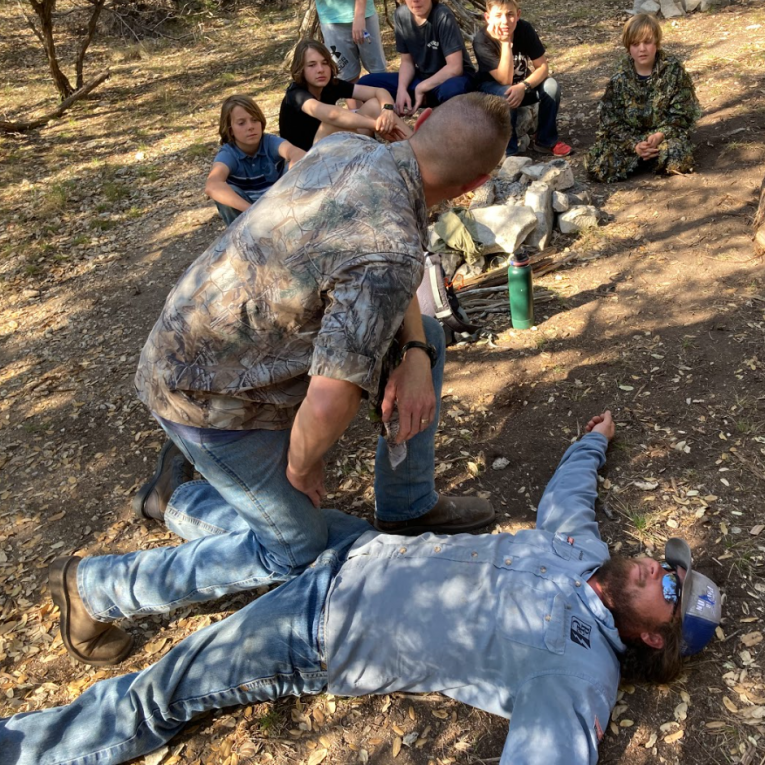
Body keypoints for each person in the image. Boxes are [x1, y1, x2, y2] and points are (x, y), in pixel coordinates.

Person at [42, 93, 510, 669]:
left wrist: (413, 350)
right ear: (475, 183)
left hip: (207, 341)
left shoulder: (353, 145)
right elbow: (332, 394)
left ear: (424, 125)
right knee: (297, 551)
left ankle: (407, 506)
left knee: (428, 339)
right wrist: (301, 465)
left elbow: (396, 264)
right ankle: (98, 584)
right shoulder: (387, 244)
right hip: (207, 396)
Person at [0, 411, 723, 765]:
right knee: (279, 531)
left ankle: (8, 748)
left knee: (163, 689)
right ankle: (171, 503)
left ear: (653, 636)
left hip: (324, 627)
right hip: (364, 549)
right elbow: (569, 497)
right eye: (669, 561)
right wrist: (591, 440)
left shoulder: (578, 670)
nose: (657, 566)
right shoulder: (583, 553)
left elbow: (550, 754)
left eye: (670, 586)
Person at [585, 13, 701, 183]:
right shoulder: (620, 77)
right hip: (630, 140)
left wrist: (660, 135)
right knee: (598, 165)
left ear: (657, 43)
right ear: (628, 47)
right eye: (635, 44)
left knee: (677, 156)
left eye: (647, 42)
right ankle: (644, 159)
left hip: (663, 137)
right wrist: (635, 145)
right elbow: (610, 121)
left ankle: (648, 159)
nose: (642, 49)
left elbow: (683, 114)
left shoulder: (673, 70)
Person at [472, 0, 571, 157]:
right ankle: (510, 152)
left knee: (551, 86)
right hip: (491, 90)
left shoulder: (524, 29)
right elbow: (505, 80)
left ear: (518, 15)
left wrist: (524, 86)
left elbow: (543, 67)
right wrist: (505, 42)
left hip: (521, 87)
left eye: (510, 14)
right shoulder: (482, 40)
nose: (505, 21)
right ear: (488, 17)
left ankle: (545, 141)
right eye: (498, 15)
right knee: (507, 93)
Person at [278, 39, 410, 152]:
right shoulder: (295, 93)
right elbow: (332, 115)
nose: (320, 69)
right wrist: (377, 124)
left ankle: (415, 147)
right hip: (306, 160)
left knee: (375, 105)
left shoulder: (331, 85)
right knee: (332, 124)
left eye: (325, 63)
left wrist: (387, 110)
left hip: (332, 147)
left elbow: (378, 91)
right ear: (301, 69)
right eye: (312, 65)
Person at [357, 0, 475, 117]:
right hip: (422, 76)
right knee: (365, 84)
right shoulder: (401, 15)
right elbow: (407, 61)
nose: (415, 1)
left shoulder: (443, 15)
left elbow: (455, 68)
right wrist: (401, 90)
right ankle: (383, 127)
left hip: (451, 79)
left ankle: (448, 127)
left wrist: (421, 87)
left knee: (452, 90)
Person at [205, 94, 306, 226]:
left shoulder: (270, 142)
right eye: (241, 123)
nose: (250, 127)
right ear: (230, 130)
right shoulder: (228, 154)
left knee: (303, 164)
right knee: (225, 192)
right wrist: (253, 211)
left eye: (254, 120)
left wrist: (294, 171)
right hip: (248, 218)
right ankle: (242, 241)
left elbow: (298, 154)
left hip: (279, 206)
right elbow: (212, 185)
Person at [315, 0, 388, 87]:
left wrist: (359, 16)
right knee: (347, 77)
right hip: (330, 19)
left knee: (378, 72)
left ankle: (384, 100)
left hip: (364, 15)